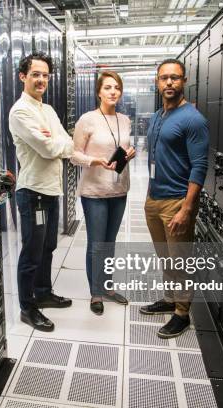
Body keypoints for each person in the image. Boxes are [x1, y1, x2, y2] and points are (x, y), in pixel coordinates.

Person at [140, 59, 209, 338]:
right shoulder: (158, 115)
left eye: (175, 78)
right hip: (154, 198)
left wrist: (187, 209)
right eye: (164, 78)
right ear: (157, 82)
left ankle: (182, 312)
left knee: (179, 259)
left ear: (184, 81)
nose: (169, 83)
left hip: (177, 202)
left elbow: (200, 165)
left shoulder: (193, 119)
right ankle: (169, 299)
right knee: (165, 257)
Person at [9, 52, 74, 332]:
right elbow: (49, 149)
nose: (41, 80)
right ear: (23, 77)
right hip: (32, 192)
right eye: (36, 74)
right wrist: (57, 143)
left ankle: (43, 292)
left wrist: (58, 142)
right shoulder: (20, 111)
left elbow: (66, 143)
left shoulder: (47, 111)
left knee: (48, 246)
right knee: (32, 251)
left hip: (51, 190)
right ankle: (27, 306)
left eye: (45, 75)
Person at [71, 71, 136, 315]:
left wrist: (131, 153)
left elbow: (125, 147)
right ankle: (96, 292)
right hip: (95, 191)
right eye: (108, 87)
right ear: (99, 92)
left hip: (119, 189)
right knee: (97, 244)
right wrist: (94, 160)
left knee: (110, 243)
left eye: (117, 87)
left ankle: (107, 286)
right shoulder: (87, 120)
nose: (113, 92)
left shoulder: (125, 119)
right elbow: (74, 154)